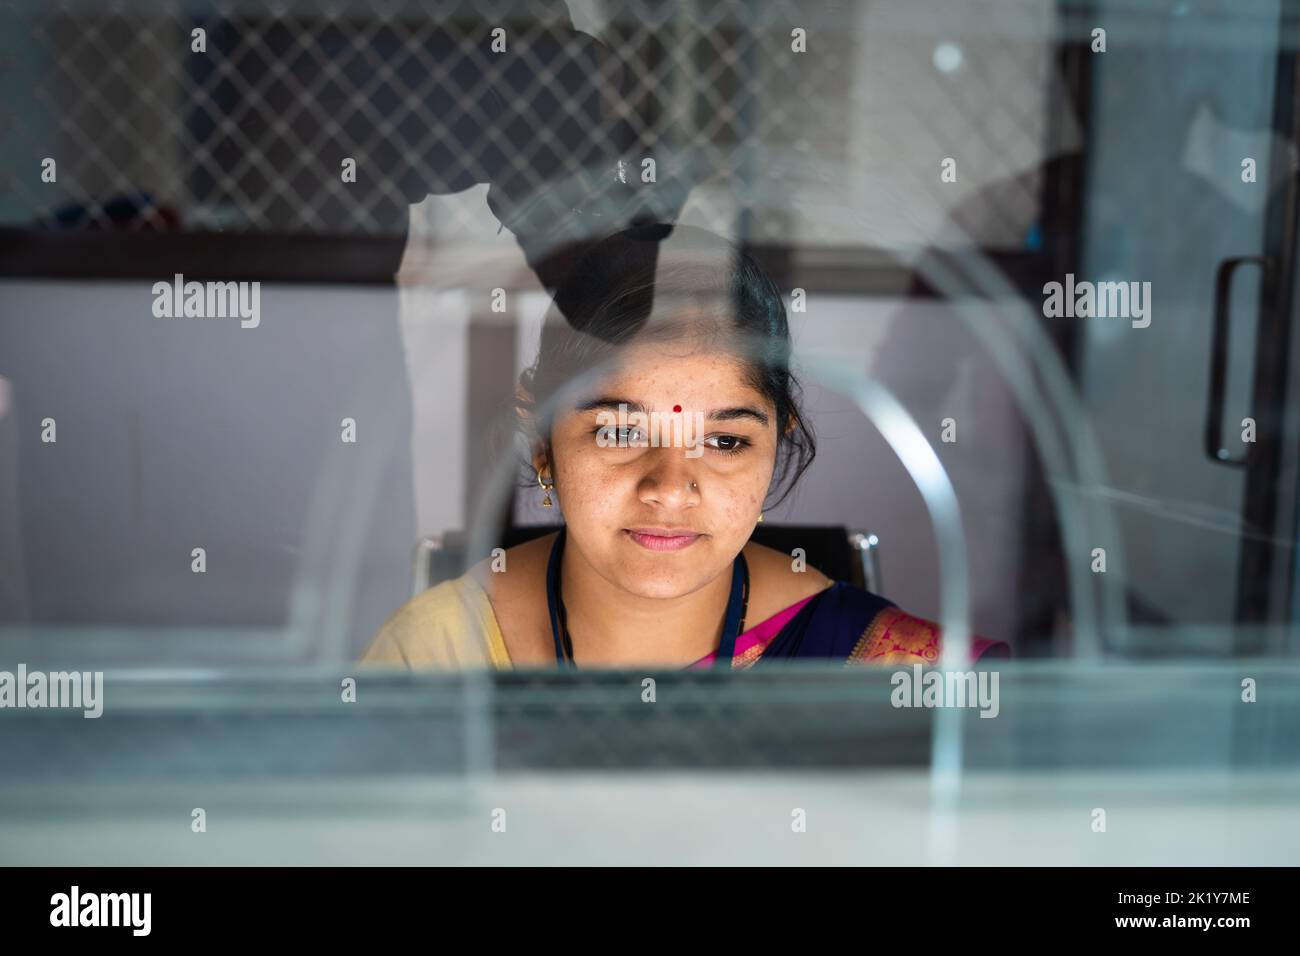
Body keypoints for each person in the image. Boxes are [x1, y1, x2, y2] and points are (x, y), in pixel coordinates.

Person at [360, 223, 1010, 669]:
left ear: (776, 448)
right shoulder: (436, 657)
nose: (670, 487)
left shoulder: (883, 670)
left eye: (724, 440)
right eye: (619, 432)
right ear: (541, 444)